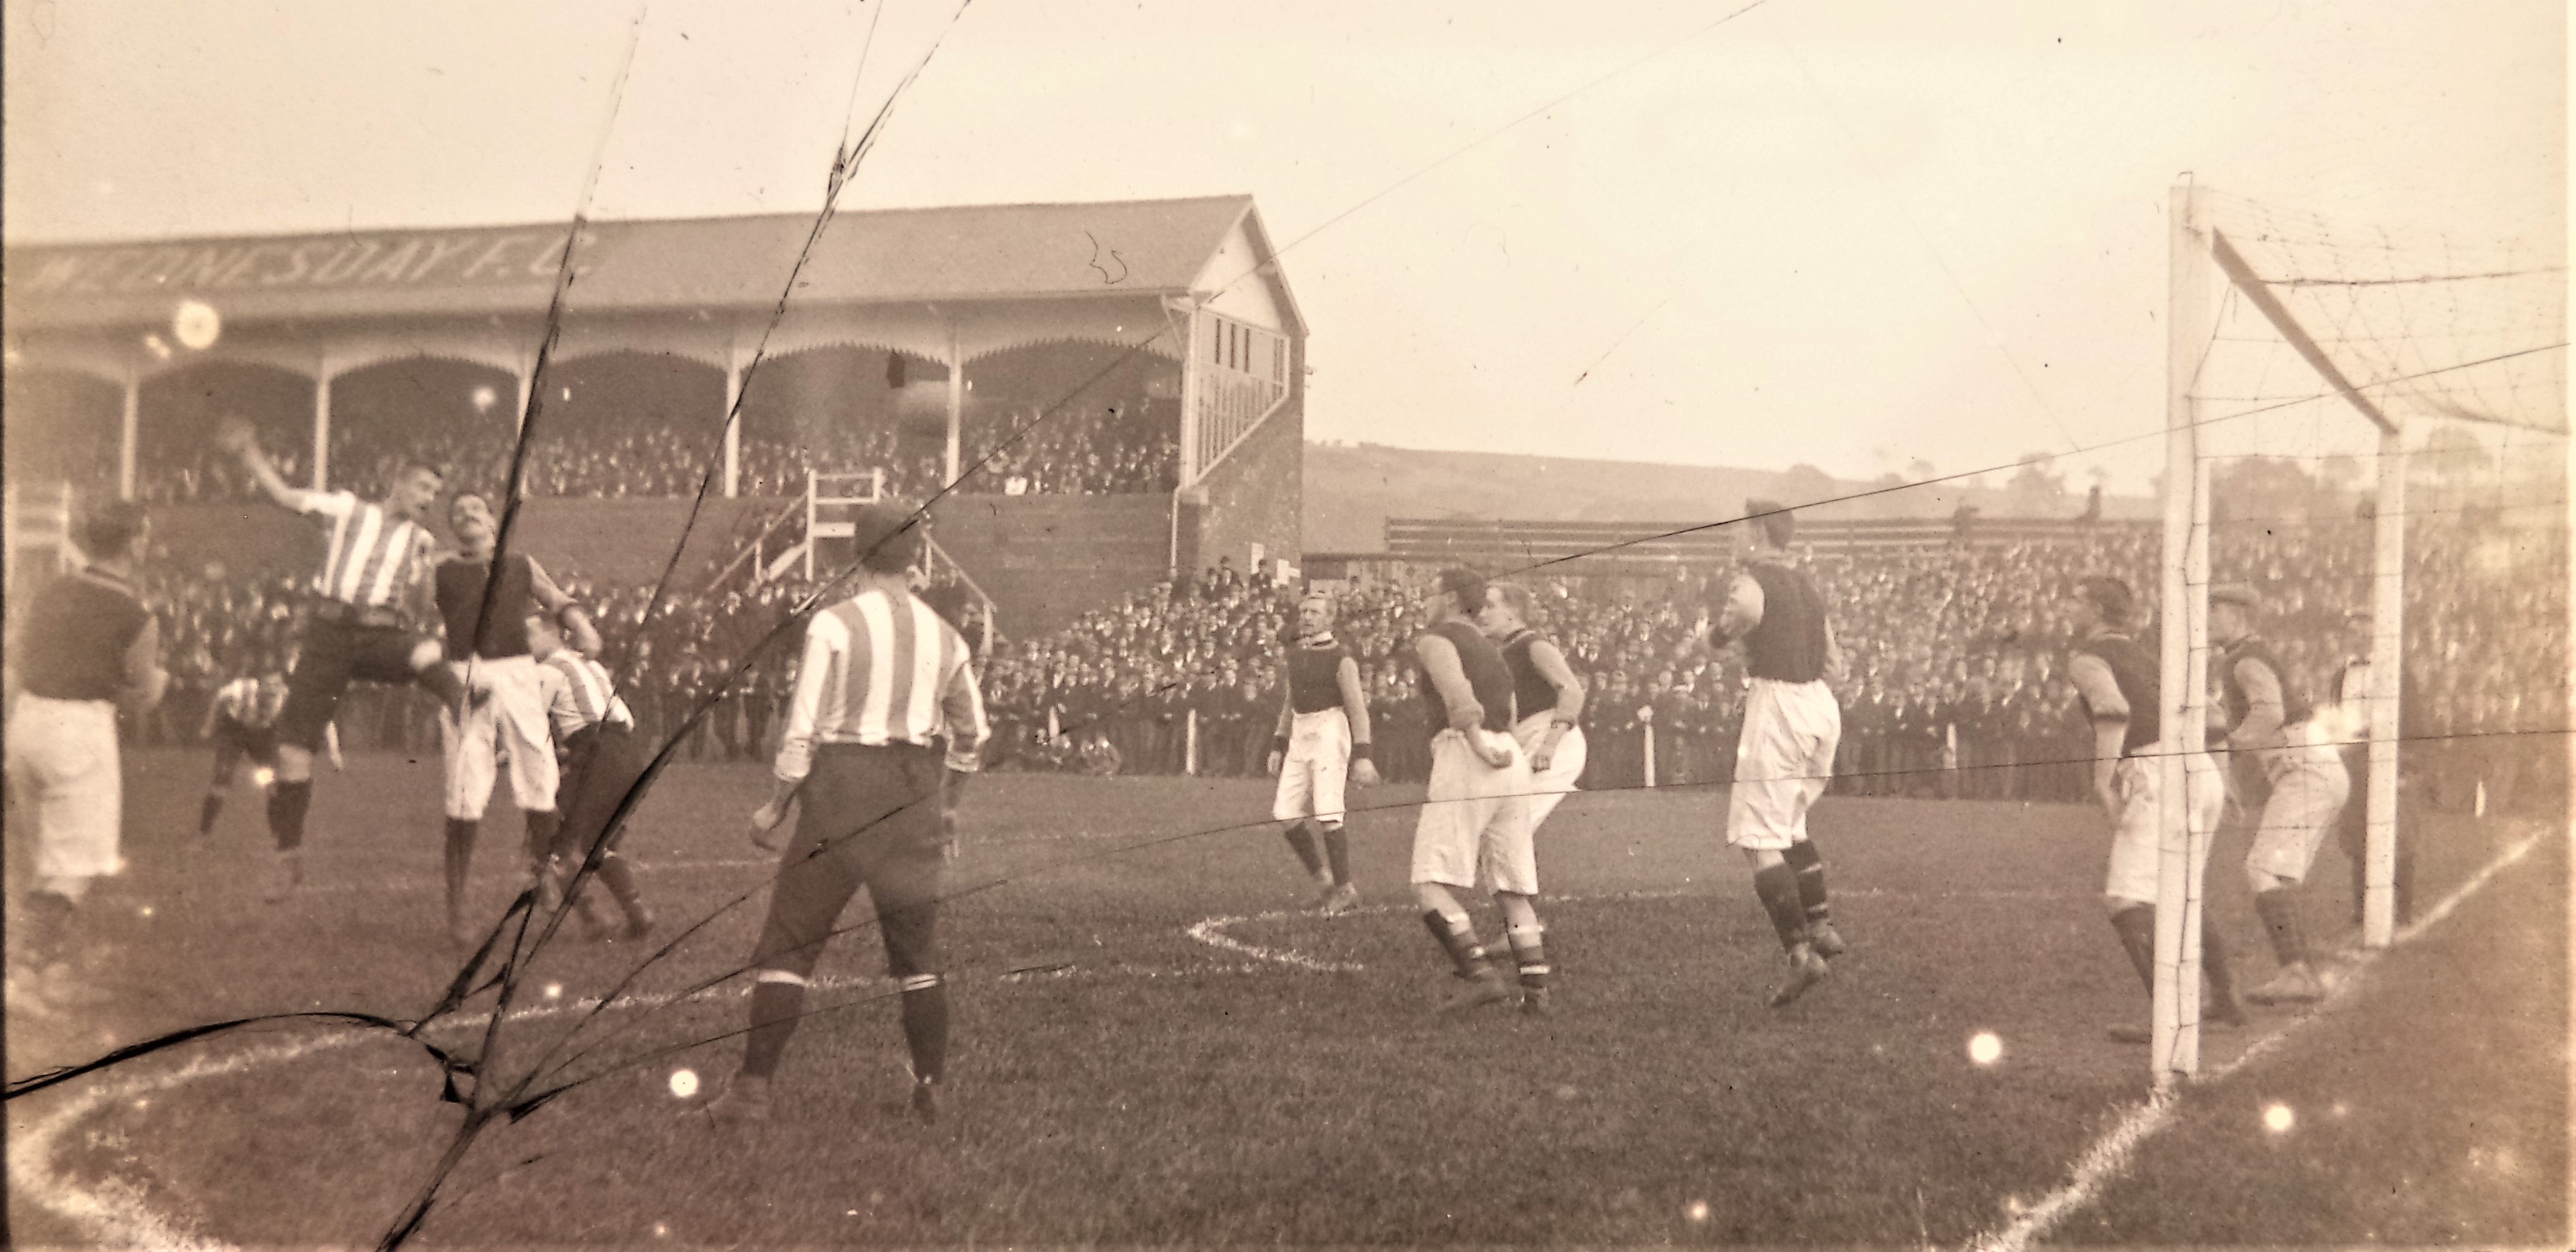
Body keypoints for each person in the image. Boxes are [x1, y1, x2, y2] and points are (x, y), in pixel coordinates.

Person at [702, 505, 989, 1128]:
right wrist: (948, 809)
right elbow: (973, 736)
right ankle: (931, 1088)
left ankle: (752, 1091)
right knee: (916, 954)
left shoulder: (833, 624)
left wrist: (776, 804)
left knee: (790, 943)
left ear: (855, 554)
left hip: (842, 788)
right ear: (914, 560)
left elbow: (802, 728)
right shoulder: (947, 636)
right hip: (913, 792)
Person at [216, 415, 475, 901]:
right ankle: (286, 858)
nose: (426, 498)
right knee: (292, 750)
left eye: (433, 494)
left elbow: (422, 597)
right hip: (329, 636)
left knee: (423, 650)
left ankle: (474, 717)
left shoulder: (419, 541)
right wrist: (249, 452)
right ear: (396, 481)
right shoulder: (348, 509)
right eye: (421, 486)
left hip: (379, 633)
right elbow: (287, 498)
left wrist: (426, 580)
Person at [2062, 576, 2245, 1044]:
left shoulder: (2087, 658)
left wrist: (2102, 781)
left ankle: (2168, 1016)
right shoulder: (2150, 656)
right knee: (2179, 891)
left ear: (2098, 608)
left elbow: (2112, 710)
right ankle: (2223, 998)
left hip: (2155, 773)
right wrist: (2222, 781)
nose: (2066, 607)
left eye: (2075, 599)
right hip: (2196, 769)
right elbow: (2215, 717)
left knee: (2126, 899)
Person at [1681, 500, 1845, 1007]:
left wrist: (1714, 638)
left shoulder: (1753, 576)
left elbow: (1746, 612)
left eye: (1737, 530)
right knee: (1790, 825)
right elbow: (1836, 664)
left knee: (1758, 839)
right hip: (1819, 703)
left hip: (1779, 704)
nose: (1732, 538)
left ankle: (1800, 955)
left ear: (1756, 532)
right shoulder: (1807, 588)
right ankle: (1819, 925)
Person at [4, 501, 166, 1008]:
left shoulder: (50, 590)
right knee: (77, 864)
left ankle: (49, 974)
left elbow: (17, 657)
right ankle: (20, 975)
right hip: (78, 728)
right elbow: (142, 697)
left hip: (26, 721)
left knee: (47, 858)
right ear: (136, 541)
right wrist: (162, 680)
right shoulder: (136, 613)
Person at [431, 492, 601, 950]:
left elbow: (556, 597)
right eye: (458, 513)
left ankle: (563, 890)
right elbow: (413, 619)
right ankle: (457, 909)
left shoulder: (521, 564)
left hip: (519, 673)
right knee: (466, 787)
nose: (467, 516)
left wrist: (581, 625)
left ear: (492, 520)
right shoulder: (442, 569)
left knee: (540, 780)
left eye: (475, 510)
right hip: (467, 676)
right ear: (454, 527)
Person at [1406, 568, 1548, 1016]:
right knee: (1513, 888)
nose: (1424, 602)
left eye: (1429, 593)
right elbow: (1507, 709)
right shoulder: (1492, 646)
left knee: (1429, 883)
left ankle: (1480, 976)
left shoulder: (1435, 639)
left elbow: (1458, 696)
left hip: (1470, 753)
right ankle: (1537, 995)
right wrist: (1498, 747)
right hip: (1511, 761)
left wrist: (1478, 747)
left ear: (1448, 599)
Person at [2206, 583, 2352, 1006]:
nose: (2210, 618)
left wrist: (2231, 748)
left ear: (2239, 617)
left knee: (2263, 869)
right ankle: (2300, 970)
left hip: (2303, 767)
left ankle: (2298, 973)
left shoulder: (2245, 658)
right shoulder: (2246, 655)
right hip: (2309, 767)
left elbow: (2270, 712)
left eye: (2217, 611)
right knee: (2277, 872)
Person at [525, 606, 655, 942]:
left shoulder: (549, 670)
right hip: (627, 751)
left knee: (552, 840)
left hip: (596, 755)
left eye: (529, 635)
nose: (526, 645)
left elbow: (531, 727)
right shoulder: (592, 665)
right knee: (598, 839)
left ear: (550, 634)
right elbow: (623, 718)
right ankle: (637, 912)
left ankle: (592, 917)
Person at [1265, 592, 1380, 916]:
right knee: (1286, 813)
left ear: (1330, 619)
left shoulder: (1341, 657)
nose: (1307, 617)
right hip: (1301, 731)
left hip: (1330, 728)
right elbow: (1290, 703)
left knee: (1328, 810)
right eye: (1304, 611)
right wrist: (1279, 743)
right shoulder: (1296, 654)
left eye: (1315, 612)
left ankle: (1345, 889)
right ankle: (1326, 884)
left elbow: (1357, 709)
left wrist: (1363, 754)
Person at [1479, 581, 1588, 835]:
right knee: (1501, 826)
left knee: (1509, 827)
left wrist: (1550, 745)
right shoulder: (1500, 651)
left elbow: (1572, 691)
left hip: (1553, 741)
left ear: (1513, 611)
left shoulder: (1534, 645)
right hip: (1524, 740)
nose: (1482, 614)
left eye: (1490, 606)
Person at [196, 666, 341, 839]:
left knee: (270, 783)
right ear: (260, 685)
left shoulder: (289, 697)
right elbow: (219, 697)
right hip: (234, 732)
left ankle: (276, 834)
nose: (272, 689)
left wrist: (334, 751)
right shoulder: (241, 689)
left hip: (263, 736)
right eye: (268, 684)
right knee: (222, 780)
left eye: (276, 684)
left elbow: (324, 718)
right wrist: (209, 724)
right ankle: (203, 833)